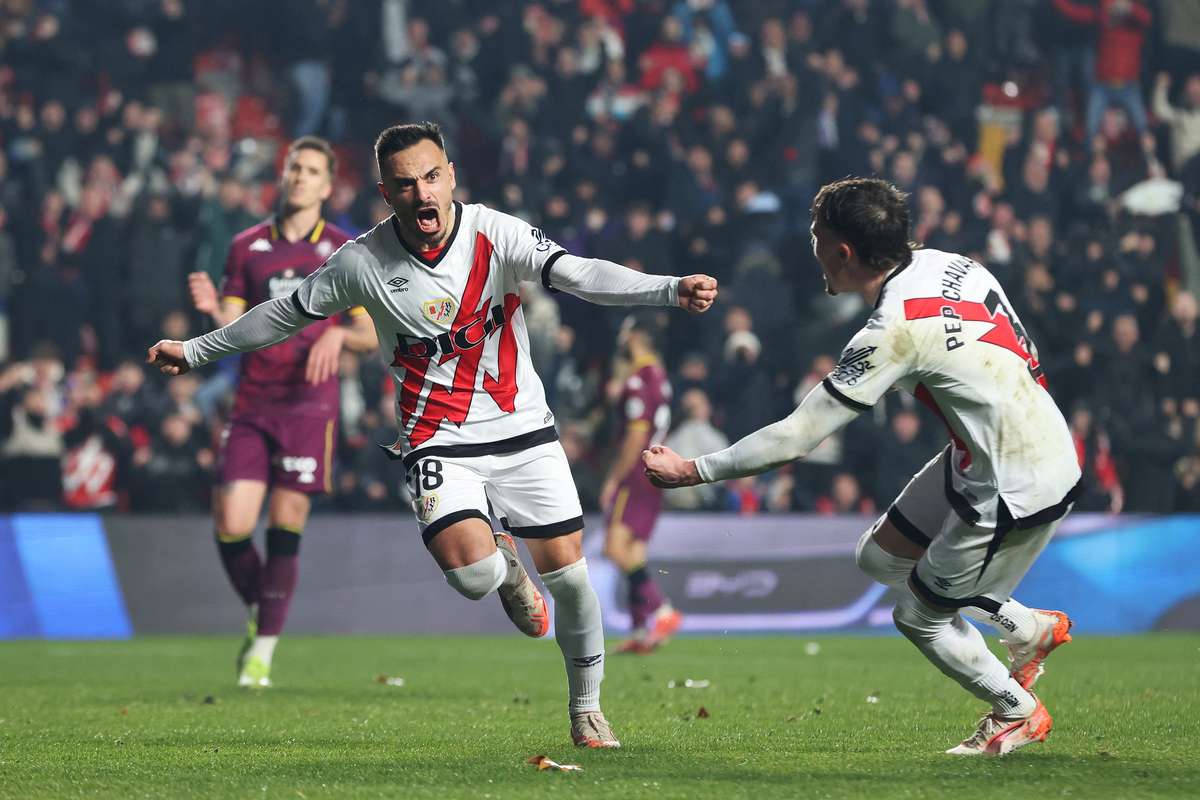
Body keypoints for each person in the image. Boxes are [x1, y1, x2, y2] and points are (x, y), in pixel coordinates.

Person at [149, 121, 718, 748]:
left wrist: (666, 289)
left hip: (524, 428)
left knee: (573, 582)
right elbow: (282, 315)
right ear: (385, 194)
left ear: (449, 175)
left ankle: (586, 709)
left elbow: (579, 274)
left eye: (430, 177)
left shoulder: (495, 233)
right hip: (438, 436)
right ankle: (504, 570)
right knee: (472, 576)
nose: (422, 194)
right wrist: (198, 351)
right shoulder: (361, 261)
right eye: (404, 185)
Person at [644, 177, 1078, 757]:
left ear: (843, 252)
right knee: (877, 556)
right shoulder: (953, 265)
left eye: (816, 235)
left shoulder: (892, 329)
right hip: (993, 448)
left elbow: (798, 436)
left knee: (920, 618)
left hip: (1013, 483)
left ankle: (1016, 711)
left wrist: (692, 469)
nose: (812, 245)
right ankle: (1027, 627)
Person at [187, 136, 379, 689]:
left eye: (312, 170)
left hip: (308, 405)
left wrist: (340, 337)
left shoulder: (348, 250)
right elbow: (230, 326)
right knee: (230, 525)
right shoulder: (246, 246)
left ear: (326, 185)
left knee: (286, 522)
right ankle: (264, 609)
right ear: (284, 175)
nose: (299, 176)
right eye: (294, 167)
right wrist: (210, 314)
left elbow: (370, 330)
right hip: (253, 400)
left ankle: (261, 653)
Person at [600, 315, 681, 654]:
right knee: (635, 554)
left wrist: (614, 478)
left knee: (614, 550)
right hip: (654, 476)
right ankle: (638, 631)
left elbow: (636, 434)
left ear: (634, 338)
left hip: (635, 473)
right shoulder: (661, 379)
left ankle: (663, 611)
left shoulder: (637, 381)